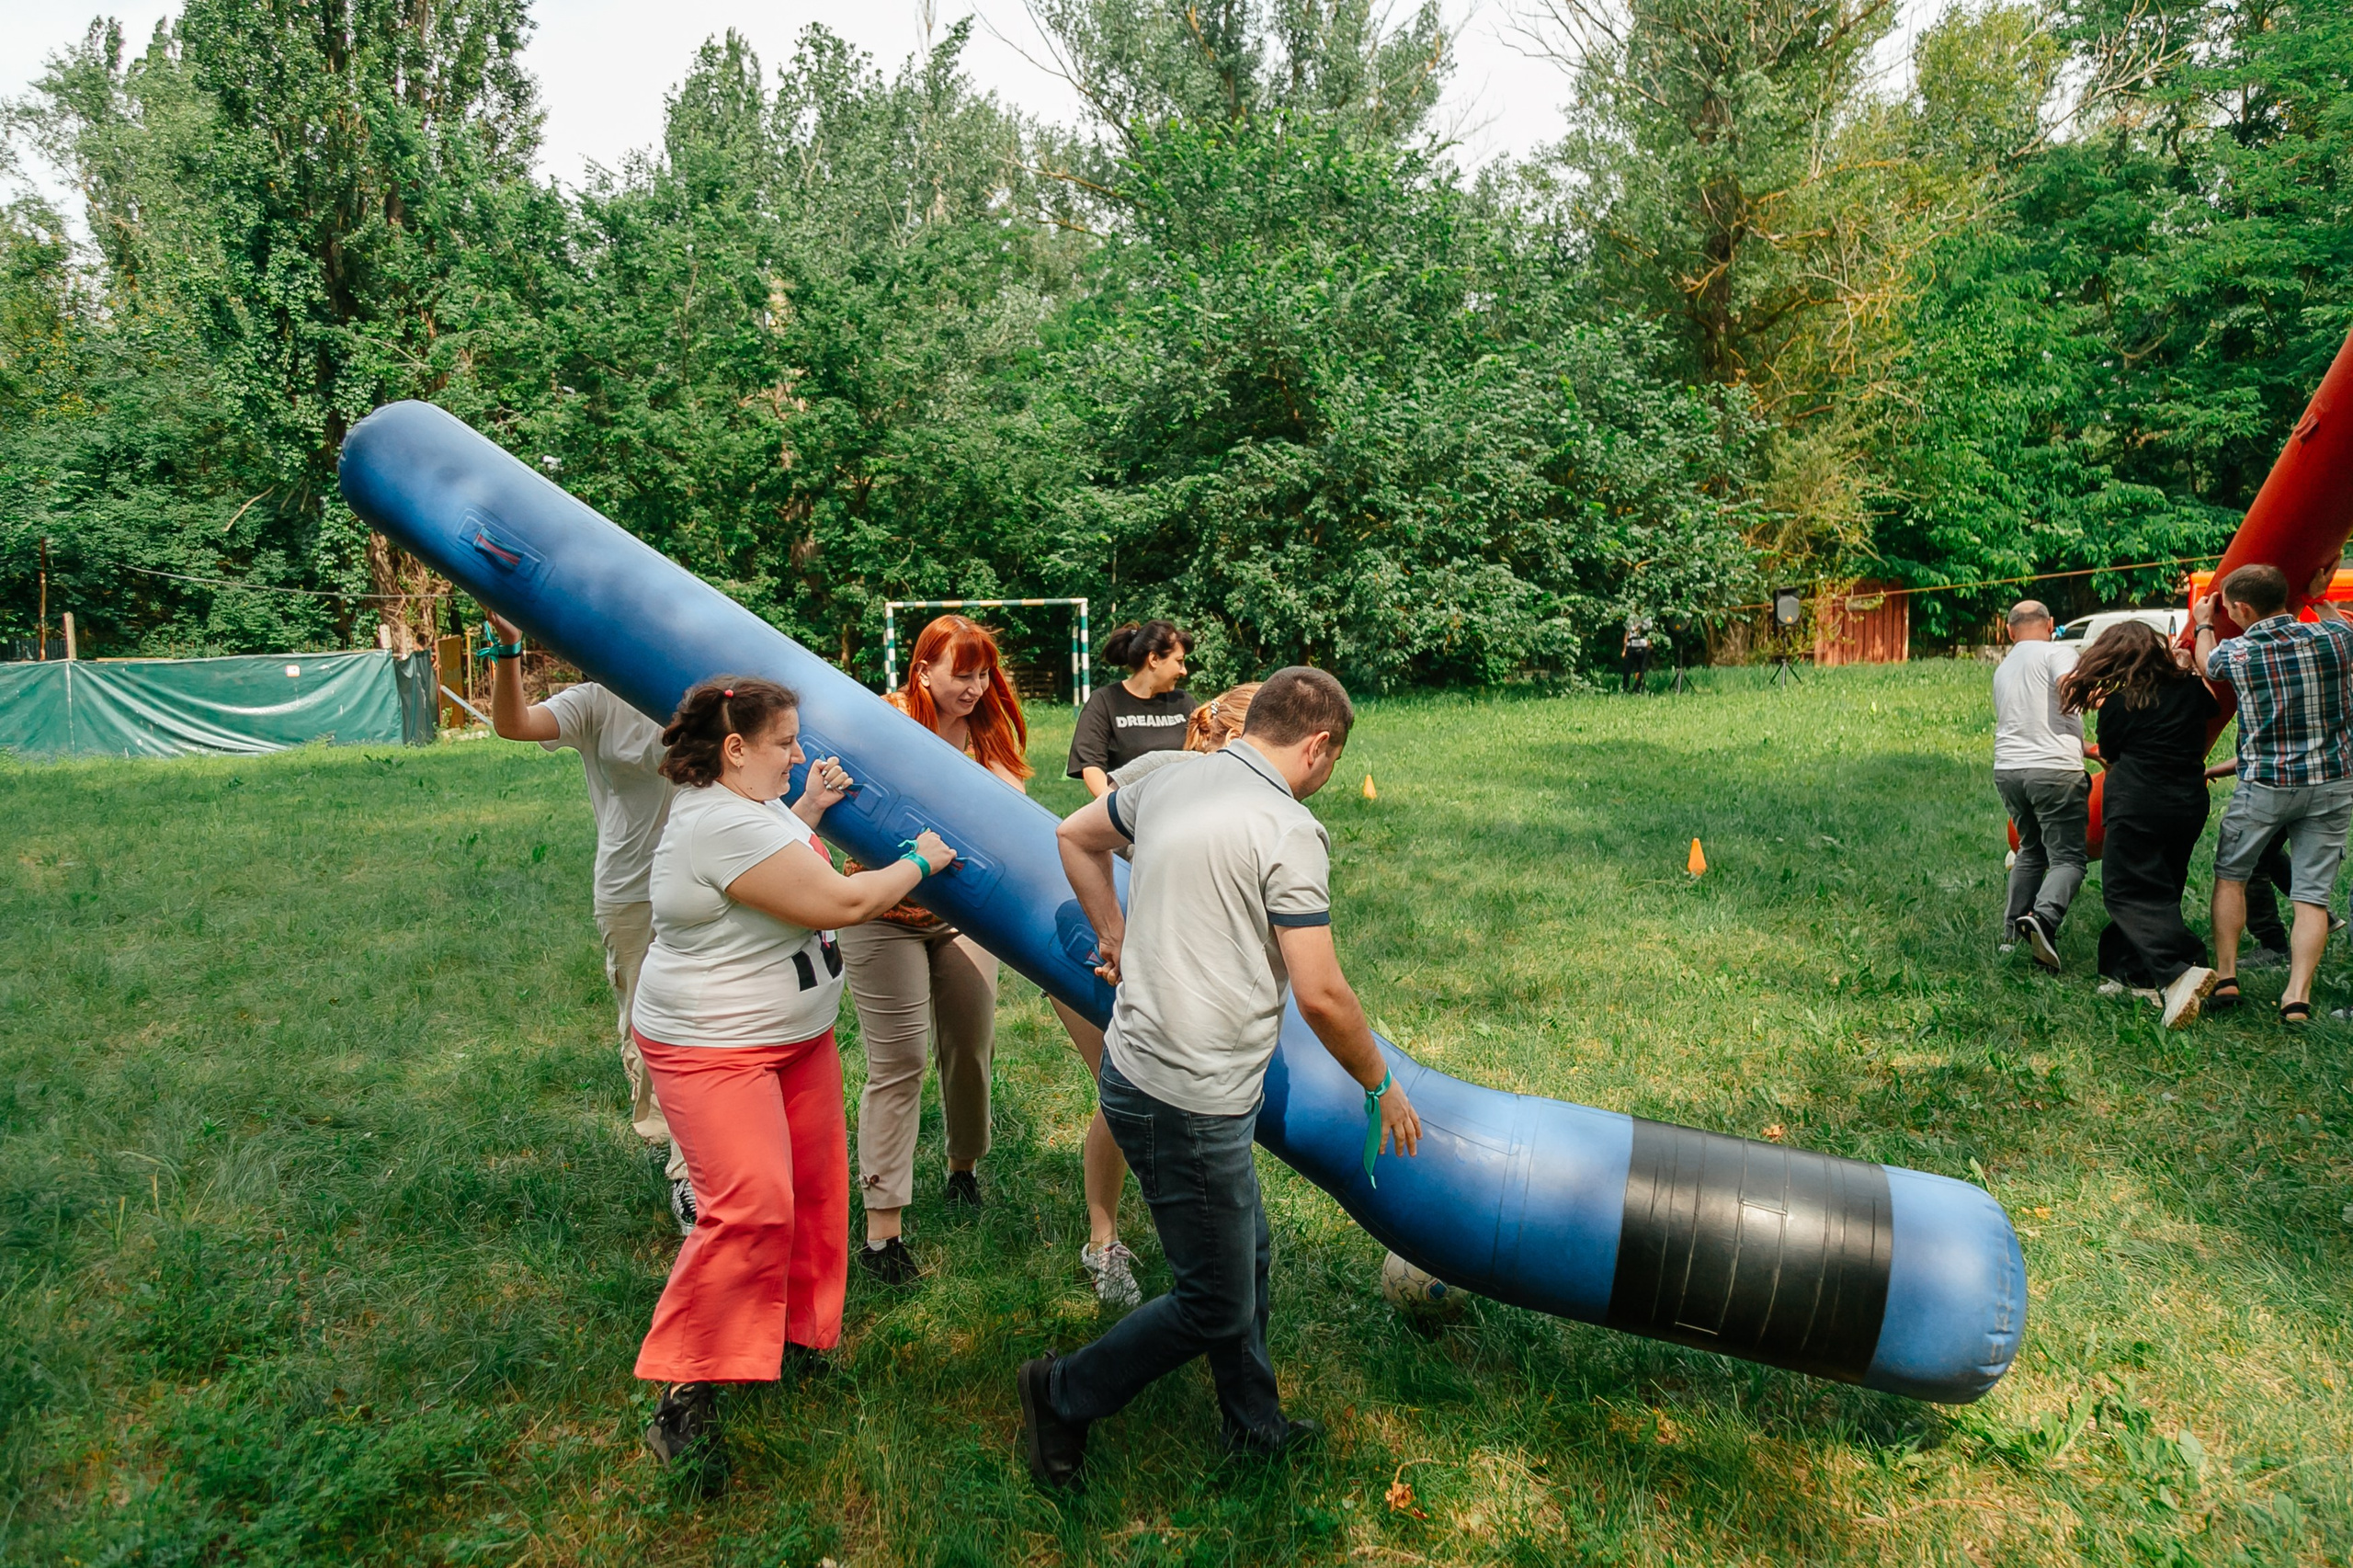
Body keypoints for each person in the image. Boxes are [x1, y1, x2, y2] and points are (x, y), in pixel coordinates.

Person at [1020, 666, 1422, 1490]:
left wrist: (1114, 934)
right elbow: (1320, 992)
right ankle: (1061, 1394)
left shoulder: (1175, 779)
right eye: (1334, 761)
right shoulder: (1288, 828)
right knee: (1213, 1301)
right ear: (1317, 746)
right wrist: (1381, 1082)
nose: (1330, 778)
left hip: (1145, 1070)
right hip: (1186, 1095)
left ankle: (1253, 1423)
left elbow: (1073, 836)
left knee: (1247, 1255)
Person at [631, 676, 956, 1473]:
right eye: (786, 743)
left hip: (795, 1038)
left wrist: (805, 803)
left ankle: (796, 1337)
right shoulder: (717, 824)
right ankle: (685, 1390)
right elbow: (843, 903)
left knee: (813, 1191)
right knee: (750, 1206)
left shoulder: (748, 804)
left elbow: (778, 847)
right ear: (735, 748)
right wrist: (919, 860)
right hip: (717, 1047)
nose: (799, 752)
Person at [483, 611, 700, 1231]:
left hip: (705, 881)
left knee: (698, 1017)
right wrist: (508, 654)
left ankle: (689, 1175)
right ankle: (666, 1123)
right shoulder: (594, 701)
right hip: (630, 891)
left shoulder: (698, 695)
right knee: (646, 1020)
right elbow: (513, 725)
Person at [1051, 681, 1262, 1311]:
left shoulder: (1256, 793)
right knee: (1122, 1099)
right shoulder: (1165, 770)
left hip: (1177, 970)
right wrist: (1113, 935)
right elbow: (1079, 839)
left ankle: (1198, 1240)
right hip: (1104, 957)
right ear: (1224, 732)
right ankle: (1103, 1242)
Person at [837, 616, 1029, 1286]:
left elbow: (1015, 802)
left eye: (982, 673)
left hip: (963, 916)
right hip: (881, 911)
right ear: (922, 672)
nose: (975, 687)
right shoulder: (886, 718)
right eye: (961, 673)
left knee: (969, 1048)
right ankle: (882, 1233)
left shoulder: (987, 728)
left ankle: (963, 1170)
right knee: (900, 1062)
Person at [2194, 557, 2353, 1023]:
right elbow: (2338, 626)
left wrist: (2205, 625)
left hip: (2266, 783)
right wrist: (2320, 595)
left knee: (2231, 875)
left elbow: (2207, 663)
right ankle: (2297, 997)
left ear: (2240, 609)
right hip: (2332, 783)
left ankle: (2226, 977)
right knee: (2311, 896)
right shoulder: (2336, 641)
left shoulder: (2239, 654)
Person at [2056, 620, 2218, 1027]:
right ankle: (2130, 974)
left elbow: (2111, 754)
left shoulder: (2119, 703)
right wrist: (2189, 668)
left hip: (2138, 801)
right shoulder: (2192, 690)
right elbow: (2212, 711)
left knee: (2125, 891)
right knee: (2162, 886)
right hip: (2188, 801)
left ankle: (2181, 969)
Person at [1992, 600, 2088, 970]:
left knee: (2031, 849)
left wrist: (2089, 749)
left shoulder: (2003, 668)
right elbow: (2069, 690)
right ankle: (2042, 920)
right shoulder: (2059, 652)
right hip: (2054, 771)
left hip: (2009, 770)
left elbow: (2029, 723)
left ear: (2009, 630)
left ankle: (2010, 935)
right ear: (2051, 624)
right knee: (2068, 858)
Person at [1067, 619, 1193, 798]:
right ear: (1154, 659)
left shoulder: (1184, 702)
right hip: (1127, 814)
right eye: (1179, 661)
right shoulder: (1105, 701)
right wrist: (1113, 808)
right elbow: (1091, 766)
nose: (1184, 671)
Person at [1621, 611, 1654, 695]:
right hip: (1631, 647)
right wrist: (1624, 649)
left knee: (1642, 669)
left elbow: (1650, 632)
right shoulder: (1631, 619)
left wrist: (1650, 644)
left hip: (1643, 648)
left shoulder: (1647, 618)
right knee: (1627, 669)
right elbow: (1627, 633)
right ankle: (1625, 688)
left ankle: (1637, 688)